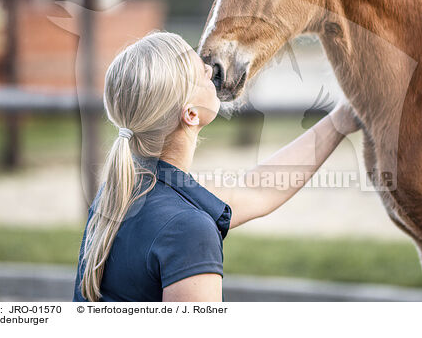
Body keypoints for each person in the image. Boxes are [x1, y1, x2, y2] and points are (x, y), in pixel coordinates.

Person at [72, 31, 360, 302]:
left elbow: (257, 189)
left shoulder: (122, 192)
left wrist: (339, 121)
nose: (210, 70)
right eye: (200, 72)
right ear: (191, 114)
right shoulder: (186, 229)